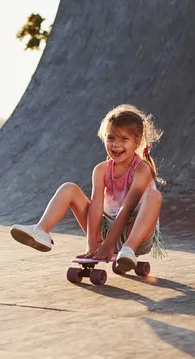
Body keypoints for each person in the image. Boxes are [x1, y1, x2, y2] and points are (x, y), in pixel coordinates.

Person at [10, 104, 165, 272]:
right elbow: (96, 206)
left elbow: (126, 209)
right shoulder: (101, 170)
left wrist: (109, 244)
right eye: (111, 138)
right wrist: (93, 243)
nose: (116, 145)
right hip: (106, 229)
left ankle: (128, 251)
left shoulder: (142, 169)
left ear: (137, 141)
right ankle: (41, 230)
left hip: (135, 232)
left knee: (154, 196)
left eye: (124, 139)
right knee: (68, 188)